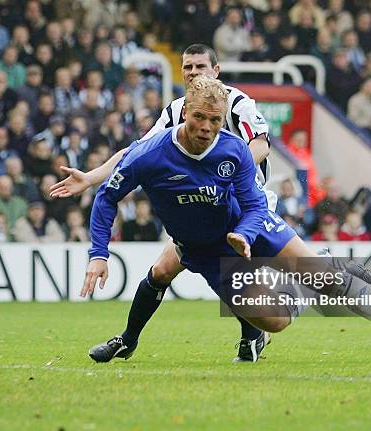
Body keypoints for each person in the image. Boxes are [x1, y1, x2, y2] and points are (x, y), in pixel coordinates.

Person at [83, 76, 371, 366]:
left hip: (249, 229)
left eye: (215, 121)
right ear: (184, 111)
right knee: (275, 322)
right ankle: (301, 288)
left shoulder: (233, 150)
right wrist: (99, 253)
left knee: (330, 281)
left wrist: (244, 233)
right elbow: (107, 197)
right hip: (204, 251)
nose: (207, 128)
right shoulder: (149, 154)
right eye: (199, 118)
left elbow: (254, 205)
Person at [50, 44, 274, 363]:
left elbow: (261, 145)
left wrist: (222, 179)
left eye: (200, 66)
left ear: (216, 71)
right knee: (162, 271)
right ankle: (129, 340)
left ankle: (253, 335)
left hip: (245, 203)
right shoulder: (177, 110)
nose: (194, 73)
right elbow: (138, 152)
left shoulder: (238, 102)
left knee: (241, 271)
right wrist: (92, 177)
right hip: (201, 207)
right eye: (188, 68)